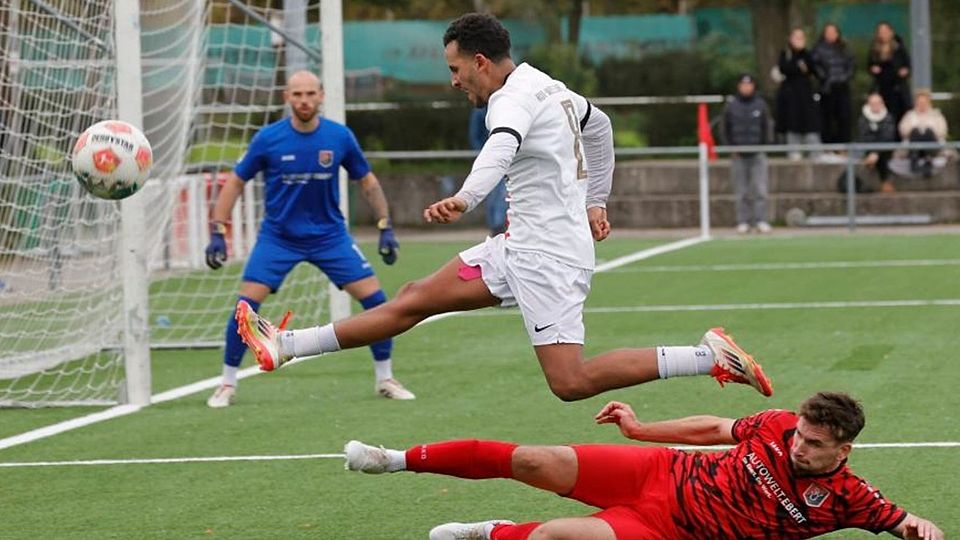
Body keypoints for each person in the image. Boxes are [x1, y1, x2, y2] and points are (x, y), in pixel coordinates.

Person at [233, 13, 774, 402]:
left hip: (548, 261)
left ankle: (706, 356)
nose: (453, 80)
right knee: (416, 298)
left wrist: (466, 198)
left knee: (570, 383)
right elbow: (601, 126)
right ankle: (286, 344)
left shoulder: (509, 100)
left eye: (455, 68)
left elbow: (501, 147)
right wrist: (597, 198)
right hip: (523, 249)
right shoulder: (547, 84)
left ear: (482, 62)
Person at [344, 391, 944, 540]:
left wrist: (922, 527)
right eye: (801, 436)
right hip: (657, 472)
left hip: (666, 530)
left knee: (555, 537)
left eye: (814, 445)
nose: (799, 447)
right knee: (531, 459)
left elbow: (909, 523)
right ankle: (393, 460)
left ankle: (491, 532)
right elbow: (711, 429)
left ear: (843, 452)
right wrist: (638, 428)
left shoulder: (850, 498)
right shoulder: (778, 424)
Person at [203, 70, 415, 408]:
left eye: (310, 94)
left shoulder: (339, 137)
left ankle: (385, 377)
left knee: (378, 303)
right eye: (297, 94)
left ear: (321, 96)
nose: (304, 100)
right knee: (245, 308)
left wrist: (384, 225)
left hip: (330, 237)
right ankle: (226, 383)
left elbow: (368, 182)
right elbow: (235, 183)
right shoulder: (268, 139)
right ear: (287, 97)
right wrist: (218, 229)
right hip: (279, 238)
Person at [722, 73, 772, 234]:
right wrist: (730, 148)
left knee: (760, 189)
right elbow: (724, 128)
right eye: (743, 85)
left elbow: (767, 126)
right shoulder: (731, 106)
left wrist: (765, 146)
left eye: (749, 85)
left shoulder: (760, 105)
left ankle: (761, 220)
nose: (746, 88)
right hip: (738, 154)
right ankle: (743, 221)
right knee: (741, 190)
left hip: (757, 153)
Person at [775, 28, 822, 161]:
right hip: (790, 95)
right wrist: (799, 68)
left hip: (806, 94)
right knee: (792, 122)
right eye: (796, 37)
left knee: (810, 122)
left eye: (801, 37)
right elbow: (784, 68)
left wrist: (803, 68)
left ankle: (814, 151)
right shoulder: (786, 54)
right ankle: (794, 151)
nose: (799, 40)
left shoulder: (808, 54)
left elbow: (814, 70)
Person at [812, 23, 854, 146]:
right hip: (827, 88)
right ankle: (828, 145)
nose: (831, 35)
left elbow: (851, 65)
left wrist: (845, 78)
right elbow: (815, 65)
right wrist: (823, 77)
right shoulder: (818, 49)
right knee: (827, 118)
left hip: (842, 87)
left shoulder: (845, 48)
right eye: (828, 32)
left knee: (844, 117)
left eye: (833, 32)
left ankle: (844, 145)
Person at [469, 105, 508, 236]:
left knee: (501, 193)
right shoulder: (481, 110)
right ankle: (496, 225)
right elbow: (475, 136)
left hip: (505, 157)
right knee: (494, 193)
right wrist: (486, 156)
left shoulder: (505, 106)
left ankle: (498, 225)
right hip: (491, 159)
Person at [868, 22, 912, 126]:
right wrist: (873, 69)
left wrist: (904, 71)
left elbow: (907, 65)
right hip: (882, 87)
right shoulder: (874, 49)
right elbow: (870, 65)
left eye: (886, 31)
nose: (883, 34)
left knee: (899, 115)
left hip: (898, 88)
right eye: (881, 32)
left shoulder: (899, 47)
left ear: (891, 32)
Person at [898, 89, 948, 178]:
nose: (922, 105)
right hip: (913, 144)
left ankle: (928, 159)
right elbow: (903, 130)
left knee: (928, 132)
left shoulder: (936, 115)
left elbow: (942, 131)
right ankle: (915, 160)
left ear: (928, 102)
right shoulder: (909, 115)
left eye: (924, 102)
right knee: (915, 131)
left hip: (932, 144)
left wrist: (927, 130)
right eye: (920, 102)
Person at [857, 92, 898, 192]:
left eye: (877, 103)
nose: (875, 106)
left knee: (883, 155)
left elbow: (888, 137)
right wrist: (873, 151)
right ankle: (885, 182)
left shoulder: (888, 118)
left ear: (882, 103)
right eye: (872, 103)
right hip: (868, 150)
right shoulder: (863, 119)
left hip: (884, 150)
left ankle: (884, 182)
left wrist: (876, 152)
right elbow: (864, 137)